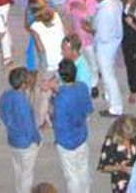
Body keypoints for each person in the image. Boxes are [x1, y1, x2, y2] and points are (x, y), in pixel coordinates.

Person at [53, 57, 94, 193]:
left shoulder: (60, 100)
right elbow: (88, 109)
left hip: (66, 141)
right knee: (83, 169)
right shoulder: (82, 87)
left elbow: (58, 123)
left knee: (72, 176)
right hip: (81, 136)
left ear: (60, 75)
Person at [0, 68, 42, 193]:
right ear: (23, 84)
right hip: (25, 143)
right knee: (27, 174)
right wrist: (36, 139)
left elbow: (3, 115)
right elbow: (28, 125)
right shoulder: (22, 102)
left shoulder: (6, 95)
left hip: (13, 140)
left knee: (18, 169)